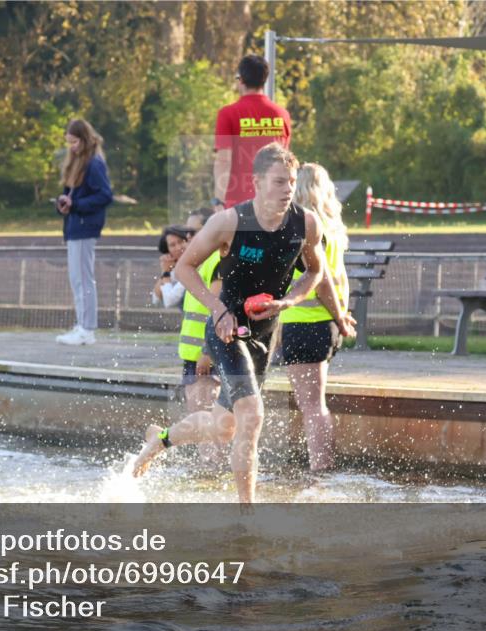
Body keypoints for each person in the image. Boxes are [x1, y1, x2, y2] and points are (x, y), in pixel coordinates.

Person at [133, 143, 353, 504]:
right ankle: (247, 517)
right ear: (257, 182)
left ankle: (161, 439)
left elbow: (316, 272)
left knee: (224, 427)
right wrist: (217, 309)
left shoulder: (305, 224)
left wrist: (300, 303)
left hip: (265, 334)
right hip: (226, 329)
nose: (287, 190)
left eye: (291, 182)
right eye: (279, 182)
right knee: (252, 415)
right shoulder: (229, 223)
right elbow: (185, 268)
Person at [280, 163, 355, 471]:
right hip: (324, 324)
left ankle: (320, 469)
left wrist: (339, 316)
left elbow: (321, 279)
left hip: (306, 322)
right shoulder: (332, 227)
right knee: (314, 403)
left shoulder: (306, 227)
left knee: (312, 406)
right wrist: (340, 316)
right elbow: (337, 278)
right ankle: (321, 466)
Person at [55, 119, 113, 346]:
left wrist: (77, 205)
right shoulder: (77, 163)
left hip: (84, 226)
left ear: (84, 139)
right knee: (77, 278)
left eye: (75, 141)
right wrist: (64, 204)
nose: (72, 146)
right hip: (74, 225)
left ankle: (87, 329)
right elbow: (73, 195)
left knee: (83, 278)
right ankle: (82, 324)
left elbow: (104, 195)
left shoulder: (94, 164)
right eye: (69, 142)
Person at [212, 55, 292, 212]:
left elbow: (223, 160)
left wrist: (218, 202)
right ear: (265, 80)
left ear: (240, 80)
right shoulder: (282, 114)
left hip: (238, 205)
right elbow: (287, 161)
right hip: (274, 202)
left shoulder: (228, 114)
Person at [151, 225, 194, 309]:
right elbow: (156, 299)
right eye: (172, 245)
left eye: (181, 241)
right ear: (168, 251)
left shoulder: (193, 267)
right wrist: (165, 271)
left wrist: (166, 275)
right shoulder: (175, 270)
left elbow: (170, 301)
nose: (178, 247)